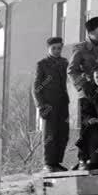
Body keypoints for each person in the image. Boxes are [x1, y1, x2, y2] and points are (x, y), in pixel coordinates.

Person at [33, 37, 70, 172]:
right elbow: (36, 87)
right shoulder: (42, 64)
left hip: (63, 103)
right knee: (50, 134)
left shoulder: (65, 63)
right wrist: (41, 105)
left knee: (63, 133)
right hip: (48, 104)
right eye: (53, 48)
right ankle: (48, 163)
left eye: (59, 48)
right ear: (48, 49)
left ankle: (57, 162)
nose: (56, 50)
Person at [68, 16, 98, 104]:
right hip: (87, 90)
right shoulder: (80, 49)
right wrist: (83, 85)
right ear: (91, 33)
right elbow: (71, 71)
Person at [75, 65, 98, 170]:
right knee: (90, 129)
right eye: (97, 77)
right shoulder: (89, 91)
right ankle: (85, 159)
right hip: (96, 122)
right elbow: (84, 111)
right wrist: (90, 119)